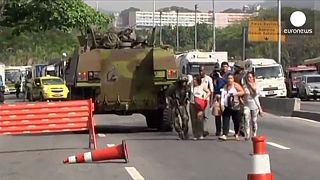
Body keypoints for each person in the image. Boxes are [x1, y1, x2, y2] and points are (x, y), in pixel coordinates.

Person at [219, 73, 245, 141]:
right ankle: (224, 134)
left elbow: (242, 92)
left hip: (235, 106)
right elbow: (222, 96)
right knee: (225, 119)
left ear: (233, 79)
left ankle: (236, 133)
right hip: (227, 106)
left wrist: (235, 94)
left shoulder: (236, 85)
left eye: (231, 78)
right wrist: (221, 105)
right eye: (228, 78)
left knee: (236, 120)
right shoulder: (225, 86)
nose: (229, 80)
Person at [166, 74, 191, 140]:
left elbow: (190, 95)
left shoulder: (187, 88)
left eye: (185, 82)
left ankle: (185, 132)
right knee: (175, 121)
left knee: (185, 119)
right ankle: (180, 132)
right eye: (182, 82)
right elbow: (168, 95)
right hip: (174, 105)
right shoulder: (173, 87)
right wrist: (171, 101)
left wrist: (188, 98)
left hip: (182, 105)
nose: (184, 83)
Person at [189, 74, 211, 140]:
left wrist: (204, 98)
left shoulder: (202, 85)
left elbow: (208, 92)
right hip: (192, 103)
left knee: (200, 119)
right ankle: (195, 134)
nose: (194, 81)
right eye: (194, 79)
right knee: (194, 119)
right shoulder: (191, 86)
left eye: (195, 79)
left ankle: (200, 133)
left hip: (200, 104)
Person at [243, 72, 263, 140]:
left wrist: (250, 85)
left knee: (254, 121)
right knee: (246, 118)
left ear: (253, 78)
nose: (249, 79)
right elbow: (243, 94)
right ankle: (247, 134)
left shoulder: (257, 85)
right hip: (246, 104)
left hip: (254, 104)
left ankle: (254, 133)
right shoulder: (244, 86)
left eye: (250, 77)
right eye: (248, 77)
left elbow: (255, 93)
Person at [199, 66, 214, 137]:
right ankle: (200, 130)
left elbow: (211, 90)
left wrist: (211, 101)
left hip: (206, 99)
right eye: (200, 71)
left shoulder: (208, 79)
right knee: (199, 116)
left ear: (205, 71)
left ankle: (205, 130)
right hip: (198, 99)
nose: (201, 72)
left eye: (202, 71)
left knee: (205, 116)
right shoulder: (197, 79)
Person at [233, 61, 247, 137]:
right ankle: (239, 129)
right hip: (237, 96)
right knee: (237, 114)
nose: (235, 68)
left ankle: (242, 128)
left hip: (243, 96)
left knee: (243, 114)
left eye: (237, 67)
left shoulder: (244, 75)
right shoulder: (235, 75)